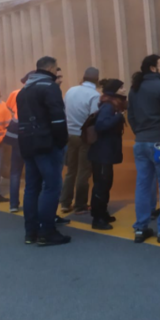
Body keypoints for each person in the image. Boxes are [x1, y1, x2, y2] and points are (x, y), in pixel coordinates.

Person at [127, 54, 160, 244]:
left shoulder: (134, 89)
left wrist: (140, 133)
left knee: (143, 185)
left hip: (140, 142)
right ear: (153, 68)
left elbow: (131, 116)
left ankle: (141, 229)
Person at [17, 56, 70, 246]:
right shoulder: (49, 87)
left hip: (27, 143)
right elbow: (57, 118)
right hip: (47, 144)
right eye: (57, 70)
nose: (57, 73)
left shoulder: (24, 91)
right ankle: (47, 231)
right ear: (51, 68)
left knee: (32, 187)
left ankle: (30, 232)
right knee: (52, 185)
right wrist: (62, 141)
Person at [60, 67, 100, 214]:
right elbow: (93, 118)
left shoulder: (70, 91)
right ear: (97, 80)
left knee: (71, 170)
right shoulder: (94, 95)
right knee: (84, 171)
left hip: (70, 135)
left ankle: (65, 202)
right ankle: (80, 204)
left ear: (83, 78)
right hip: (85, 137)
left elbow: (64, 111)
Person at [88, 79, 127, 230]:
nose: (124, 89)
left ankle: (103, 213)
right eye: (121, 87)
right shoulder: (108, 106)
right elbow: (101, 125)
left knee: (106, 183)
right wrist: (118, 117)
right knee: (101, 185)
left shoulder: (112, 104)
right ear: (115, 90)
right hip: (101, 153)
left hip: (104, 152)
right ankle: (97, 218)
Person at [5, 72, 33, 212]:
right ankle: (30, 203)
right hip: (29, 134)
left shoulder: (15, 93)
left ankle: (13, 205)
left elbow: (10, 108)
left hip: (15, 134)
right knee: (31, 171)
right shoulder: (36, 93)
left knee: (15, 172)